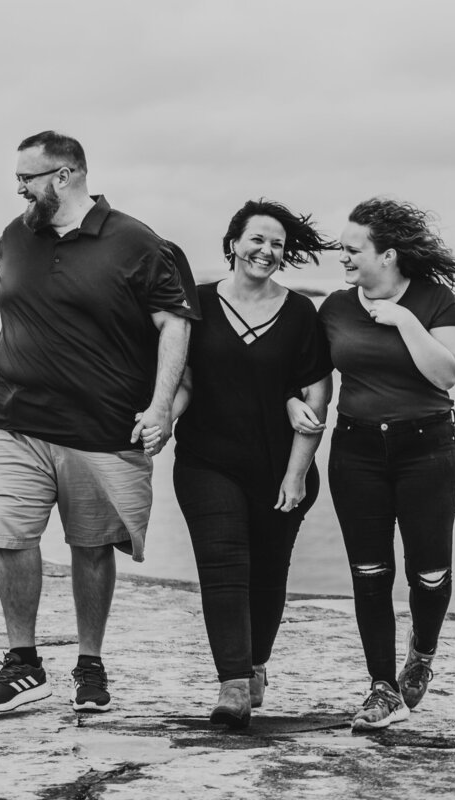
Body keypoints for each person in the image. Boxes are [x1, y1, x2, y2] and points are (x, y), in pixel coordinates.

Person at [0, 131, 197, 714]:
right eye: (17, 178)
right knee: (11, 537)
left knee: (92, 546)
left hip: (100, 427)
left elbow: (174, 324)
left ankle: (90, 665)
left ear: (66, 175)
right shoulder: (18, 232)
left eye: (29, 177)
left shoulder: (135, 241)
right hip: (14, 417)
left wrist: (159, 407)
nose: (20, 187)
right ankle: (23, 664)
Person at [289, 197, 455, 732]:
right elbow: (310, 377)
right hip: (356, 453)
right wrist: (292, 400)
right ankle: (381, 687)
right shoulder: (335, 307)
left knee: (428, 570)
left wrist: (402, 320)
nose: (344, 260)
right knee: (370, 572)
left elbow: (445, 374)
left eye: (353, 251)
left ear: (388, 255)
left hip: (427, 452)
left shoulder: (433, 301)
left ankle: (421, 652)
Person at [164, 200, 334, 728]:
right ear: (234, 242)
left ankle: (256, 663)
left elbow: (315, 399)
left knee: (268, 573)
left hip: (280, 464)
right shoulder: (196, 304)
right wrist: (162, 420)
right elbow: (184, 377)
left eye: (277, 244)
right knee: (223, 566)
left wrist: (295, 474)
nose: (266, 251)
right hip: (206, 460)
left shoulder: (301, 312)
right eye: (257, 239)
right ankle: (233, 683)